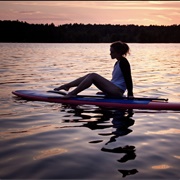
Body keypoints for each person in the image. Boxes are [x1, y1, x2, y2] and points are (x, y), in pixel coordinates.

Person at [54, 41, 134, 98]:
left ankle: (73, 93)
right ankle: (66, 86)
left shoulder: (124, 62)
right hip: (114, 90)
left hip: (118, 91)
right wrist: (106, 90)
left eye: (112, 52)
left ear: (118, 52)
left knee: (93, 76)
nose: (110, 53)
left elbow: (128, 78)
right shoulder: (118, 62)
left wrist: (130, 94)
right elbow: (116, 80)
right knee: (89, 75)